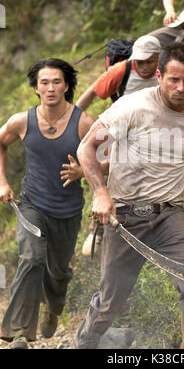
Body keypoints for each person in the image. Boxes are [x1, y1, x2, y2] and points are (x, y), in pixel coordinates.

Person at [73, 42, 184, 349]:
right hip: (123, 216)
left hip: (169, 216)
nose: (180, 87)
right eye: (173, 79)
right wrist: (100, 193)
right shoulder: (131, 107)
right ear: (160, 75)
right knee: (110, 302)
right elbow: (87, 147)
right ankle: (84, 345)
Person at [0, 58, 94, 349]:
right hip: (32, 205)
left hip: (68, 210)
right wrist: (2, 181)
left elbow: (110, 159)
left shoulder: (83, 123)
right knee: (31, 259)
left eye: (56, 81)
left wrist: (84, 170)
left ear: (66, 85)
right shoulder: (21, 121)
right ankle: (18, 333)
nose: (51, 87)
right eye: (44, 82)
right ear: (36, 88)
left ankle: (53, 308)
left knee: (58, 274)